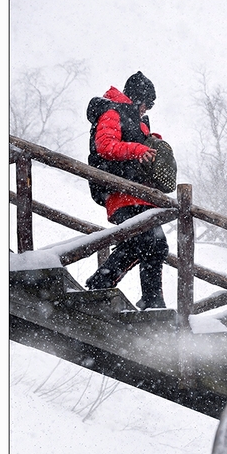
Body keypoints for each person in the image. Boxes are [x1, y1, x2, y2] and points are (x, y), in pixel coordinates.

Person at [84, 71, 169, 311]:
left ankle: (151, 298)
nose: (147, 109)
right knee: (146, 240)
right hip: (120, 191)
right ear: (136, 98)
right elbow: (105, 146)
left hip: (138, 193)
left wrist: (153, 143)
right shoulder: (112, 112)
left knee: (155, 244)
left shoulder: (138, 122)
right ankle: (106, 283)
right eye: (146, 104)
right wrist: (137, 149)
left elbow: (138, 148)